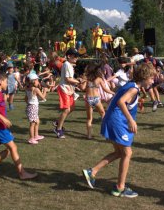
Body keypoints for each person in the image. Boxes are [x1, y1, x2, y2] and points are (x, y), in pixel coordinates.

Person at [82, 63, 155, 198]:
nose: (153, 80)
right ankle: (120, 188)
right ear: (145, 77)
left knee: (119, 152)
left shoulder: (131, 85)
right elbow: (121, 102)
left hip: (112, 119)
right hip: (116, 121)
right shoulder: (133, 89)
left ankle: (92, 172)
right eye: (151, 78)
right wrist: (131, 120)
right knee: (127, 153)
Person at [0, 71, 37, 180]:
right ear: (0, 82)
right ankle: (22, 173)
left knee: (9, 150)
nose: (7, 84)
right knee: (13, 147)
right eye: (6, 82)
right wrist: (3, 119)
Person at [80, 63, 115, 139]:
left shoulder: (86, 78)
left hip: (88, 99)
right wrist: (113, 92)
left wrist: (81, 82)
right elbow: (105, 89)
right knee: (103, 114)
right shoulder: (99, 79)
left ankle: (89, 135)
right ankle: (106, 133)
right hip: (96, 99)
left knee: (89, 118)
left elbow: (82, 88)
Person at [52, 48, 81, 138]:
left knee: (72, 108)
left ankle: (58, 122)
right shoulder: (67, 65)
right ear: (69, 56)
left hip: (69, 89)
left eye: (77, 56)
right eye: (75, 56)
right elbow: (68, 79)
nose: (76, 58)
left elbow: (69, 79)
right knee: (67, 109)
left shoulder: (68, 65)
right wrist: (78, 82)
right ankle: (58, 129)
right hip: (64, 89)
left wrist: (76, 82)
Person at [25, 73, 48, 144]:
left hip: (30, 106)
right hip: (33, 107)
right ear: (34, 81)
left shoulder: (27, 88)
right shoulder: (36, 89)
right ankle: (31, 139)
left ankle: (36, 135)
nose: (38, 82)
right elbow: (43, 97)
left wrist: (30, 102)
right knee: (32, 124)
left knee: (37, 122)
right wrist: (45, 91)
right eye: (37, 80)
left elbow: (25, 99)